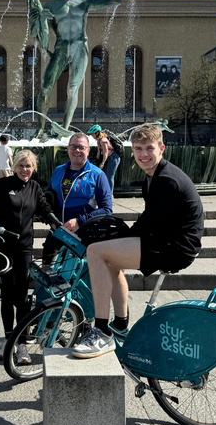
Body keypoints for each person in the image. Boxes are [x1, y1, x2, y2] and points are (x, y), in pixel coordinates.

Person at [72, 123, 204, 358]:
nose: (144, 154)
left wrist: (116, 238)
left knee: (95, 252)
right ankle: (120, 325)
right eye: (138, 148)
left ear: (161, 148)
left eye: (149, 148)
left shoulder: (167, 180)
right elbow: (149, 221)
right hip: (167, 239)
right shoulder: (154, 176)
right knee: (109, 258)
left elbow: (146, 225)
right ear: (131, 151)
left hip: (176, 247)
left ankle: (102, 332)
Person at [24, 0, 147, 137]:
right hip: (61, 47)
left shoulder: (85, 1)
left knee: (72, 89)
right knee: (45, 88)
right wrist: (43, 29)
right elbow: (40, 33)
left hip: (80, 46)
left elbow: (115, 0)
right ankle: (40, 128)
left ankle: (64, 129)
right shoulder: (52, 6)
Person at [0, 150, 54, 363]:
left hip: (24, 248)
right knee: (7, 295)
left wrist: (57, 224)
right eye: (21, 166)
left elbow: (45, 211)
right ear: (15, 166)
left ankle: (21, 344)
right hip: (1, 247)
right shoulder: (2, 185)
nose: (25, 170)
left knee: (21, 296)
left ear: (33, 168)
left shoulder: (35, 188)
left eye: (28, 166)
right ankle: (7, 340)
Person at [42, 132, 112, 266]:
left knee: (71, 277)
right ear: (68, 149)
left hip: (82, 235)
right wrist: (49, 220)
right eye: (73, 147)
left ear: (88, 150)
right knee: (45, 274)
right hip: (57, 232)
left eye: (81, 147)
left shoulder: (98, 175)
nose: (77, 151)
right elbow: (47, 199)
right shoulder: (58, 170)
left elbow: (107, 210)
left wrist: (80, 221)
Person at [87, 125, 121, 194]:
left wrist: (102, 163)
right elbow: (99, 152)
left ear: (97, 133)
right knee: (106, 175)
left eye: (92, 134)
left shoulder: (103, 140)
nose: (92, 136)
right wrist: (96, 161)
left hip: (113, 158)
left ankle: (110, 195)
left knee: (110, 176)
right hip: (109, 158)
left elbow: (105, 153)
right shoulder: (99, 141)